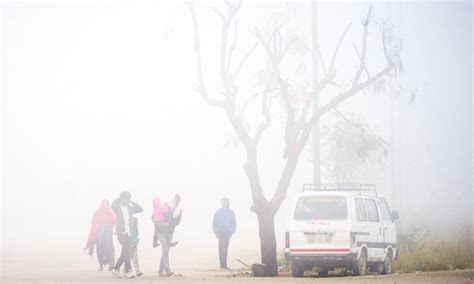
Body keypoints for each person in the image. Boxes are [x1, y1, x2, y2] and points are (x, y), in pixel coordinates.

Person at [111, 191, 143, 279]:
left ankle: (116, 268)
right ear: (122, 198)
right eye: (125, 198)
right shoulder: (117, 207)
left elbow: (140, 209)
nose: (127, 200)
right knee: (126, 249)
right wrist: (119, 198)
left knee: (125, 252)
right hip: (121, 233)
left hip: (129, 233)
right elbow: (112, 205)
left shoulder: (130, 208)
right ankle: (129, 271)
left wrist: (132, 202)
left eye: (128, 198)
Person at [84, 199, 116, 271]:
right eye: (104, 204)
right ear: (101, 205)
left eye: (107, 204)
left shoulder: (111, 213)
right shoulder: (97, 213)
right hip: (99, 234)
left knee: (110, 248)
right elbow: (94, 223)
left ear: (108, 205)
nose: (105, 205)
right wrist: (100, 227)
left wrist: (109, 226)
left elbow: (113, 221)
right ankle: (101, 265)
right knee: (100, 249)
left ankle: (111, 264)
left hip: (108, 234)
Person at [152, 197, 174, 277]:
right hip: (160, 234)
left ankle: (160, 271)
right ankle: (167, 270)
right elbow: (156, 228)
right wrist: (154, 241)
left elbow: (173, 222)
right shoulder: (154, 214)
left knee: (165, 251)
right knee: (165, 249)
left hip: (167, 233)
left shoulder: (166, 212)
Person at [213, 197, 236, 270]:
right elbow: (214, 223)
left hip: (227, 233)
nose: (224, 203)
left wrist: (232, 231)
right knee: (221, 249)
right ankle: (222, 265)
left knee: (225, 249)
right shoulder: (218, 212)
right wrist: (216, 232)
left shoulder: (231, 212)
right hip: (220, 233)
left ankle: (225, 264)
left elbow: (234, 223)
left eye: (225, 202)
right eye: (223, 202)